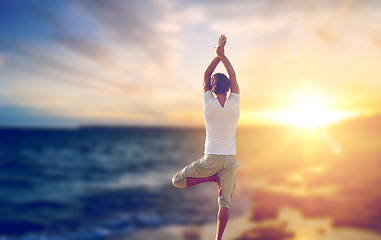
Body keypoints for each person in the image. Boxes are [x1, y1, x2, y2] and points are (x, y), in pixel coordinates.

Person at [171, 34, 240, 240]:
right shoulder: (235, 102)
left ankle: (212, 178)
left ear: (211, 87)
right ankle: (218, 239)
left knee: (176, 180)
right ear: (228, 89)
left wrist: (217, 55)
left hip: (211, 159)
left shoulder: (208, 103)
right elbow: (233, 75)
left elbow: (206, 74)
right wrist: (223, 55)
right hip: (230, 160)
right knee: (225, 203)